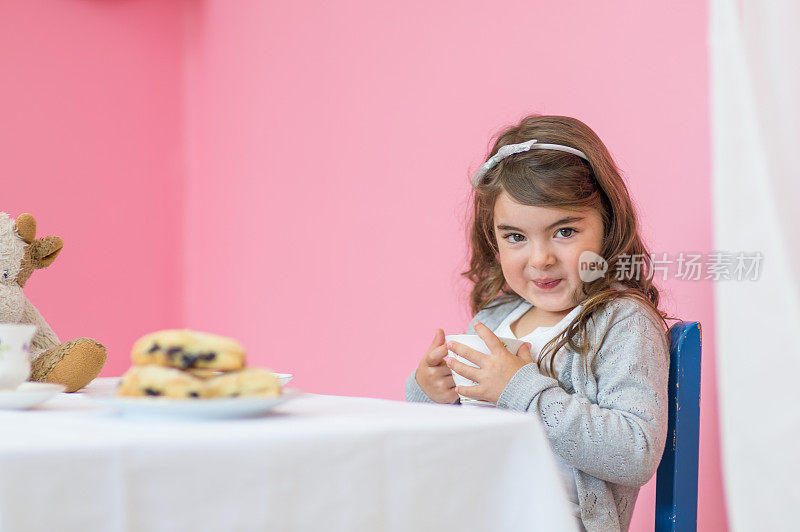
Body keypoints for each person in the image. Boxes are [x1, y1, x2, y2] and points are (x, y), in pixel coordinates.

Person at [404, 114, 675, 532]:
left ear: (607, 224)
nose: (540, 259)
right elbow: (449, 446)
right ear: (492, 238)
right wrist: (431, 396)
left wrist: (521, 388)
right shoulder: (492, 321)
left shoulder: (621, 323)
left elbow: (634, 452)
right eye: (516, 237)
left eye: (564, 231)